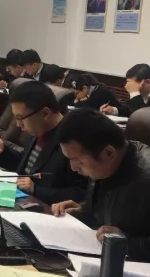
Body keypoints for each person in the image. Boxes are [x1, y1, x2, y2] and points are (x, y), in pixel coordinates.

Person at [52, 109, 150, 262]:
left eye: (79, 161)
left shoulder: (145, 176)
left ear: (109, 152)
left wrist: (126, 243)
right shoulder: (105, 166)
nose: (73, 168)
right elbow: (113, 213)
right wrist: (83, 211)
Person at [0, 82, 87, 204]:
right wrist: (2, 151)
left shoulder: (73, 140)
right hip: (21, 198)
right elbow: (29, 167)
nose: (18, 124)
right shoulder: (41, 130)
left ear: (45, 113)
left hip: (45, 208)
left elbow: (82, 194)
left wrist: (36, 190)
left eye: (20, 118)